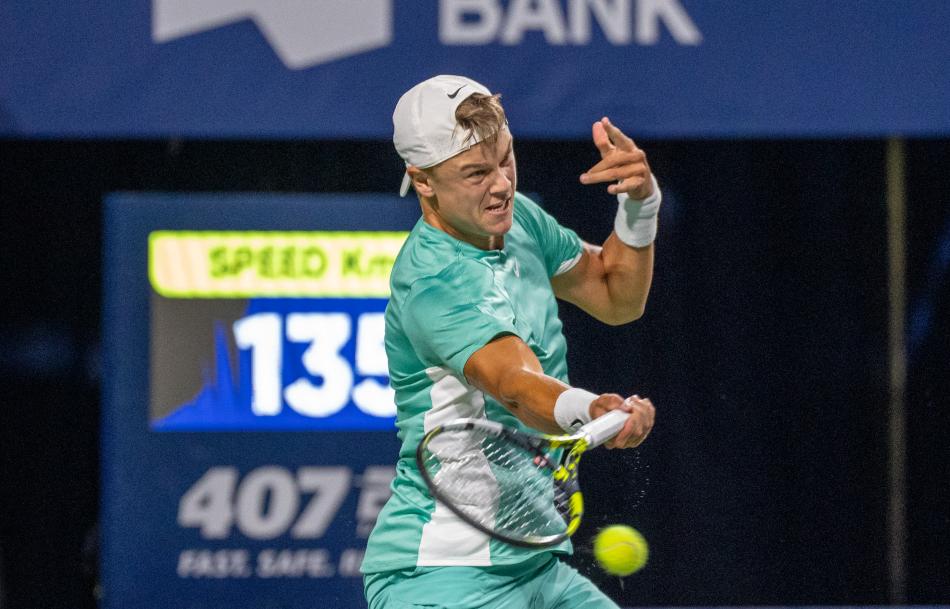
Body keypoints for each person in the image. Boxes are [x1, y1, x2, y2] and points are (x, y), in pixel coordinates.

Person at [361, 74, 660, 609]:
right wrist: (591, 409)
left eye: (506, 159)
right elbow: (516, 386)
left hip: (533, 566)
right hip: (439, 575)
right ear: (423, 181)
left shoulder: (516, 220)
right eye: (476, 172)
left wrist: (641, 204)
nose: (501, 184)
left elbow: (617, 296)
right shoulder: (433, 282)